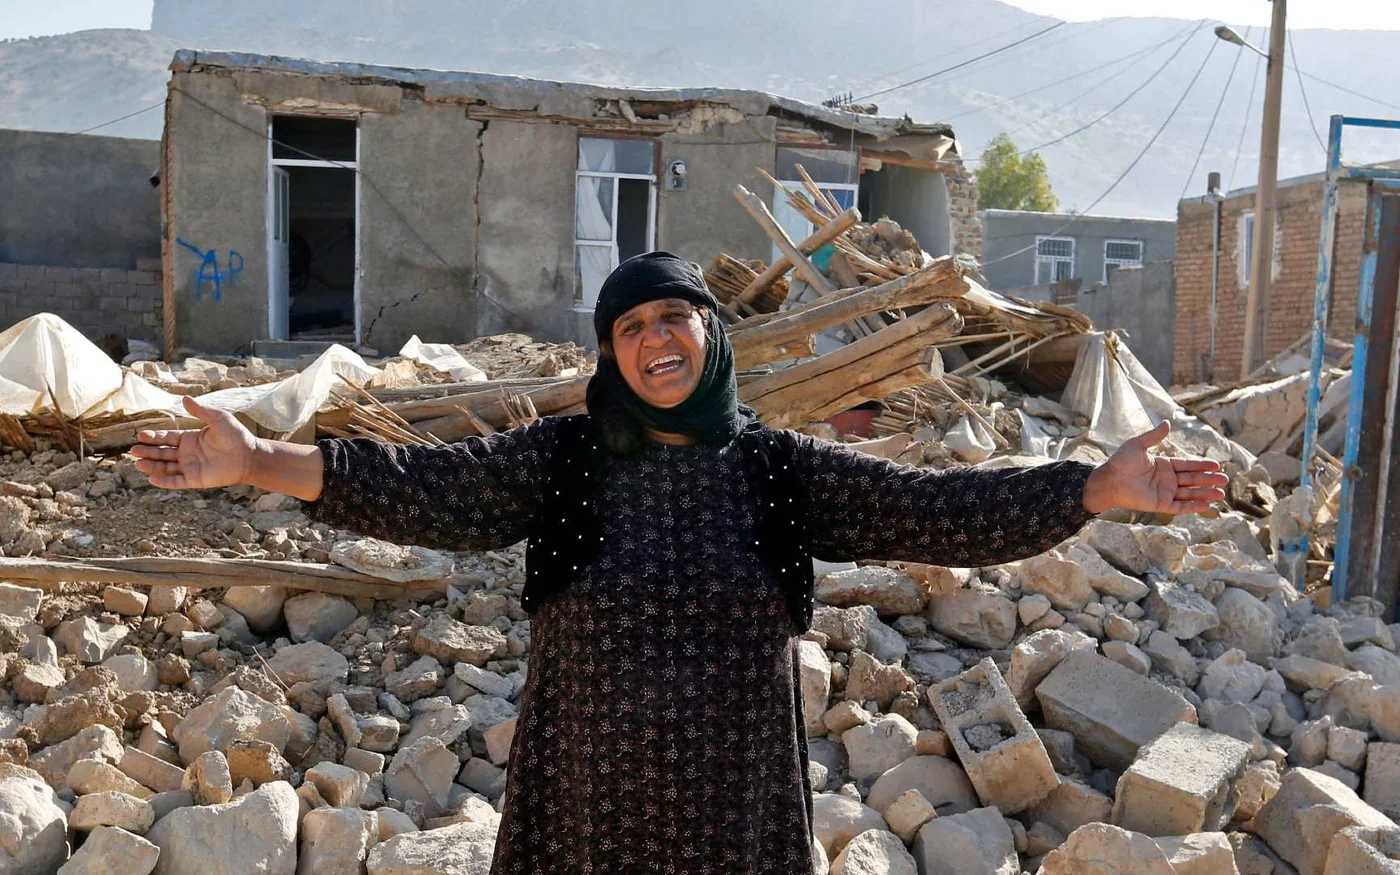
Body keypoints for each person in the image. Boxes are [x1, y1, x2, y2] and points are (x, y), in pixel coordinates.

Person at [132, 252, 1228, 874]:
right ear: (607, 353)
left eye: (674, 318)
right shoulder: (562, 458)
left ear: (711, 333)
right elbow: (425, 490)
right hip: (583, 814)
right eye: (629, 328)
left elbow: (929, 510)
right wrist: (258, 457)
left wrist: (1090, 485)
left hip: (732, 820)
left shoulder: (775, 470)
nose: (655, 340)